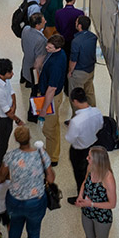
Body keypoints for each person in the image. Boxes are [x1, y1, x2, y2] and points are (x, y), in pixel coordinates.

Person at [0, 126, 53, 238]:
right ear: (30, 138)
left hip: (15, 200)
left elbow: (1, 176)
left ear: (16, 139)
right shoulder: (41, 154)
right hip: (36, 201)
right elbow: (51, 179)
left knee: (15, 227)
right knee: (34, 230)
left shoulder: (10, 156)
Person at [75, 146, 116, 238]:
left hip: (101, 216)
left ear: (97, 160)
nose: (87, 159)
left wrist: (91, 204)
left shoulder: (107, 177)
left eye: (89, 157)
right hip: (87, 212)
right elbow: (84, 183)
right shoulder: (90, 168)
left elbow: (112, 204)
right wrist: (80, 196)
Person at [64, 88, 103, 203]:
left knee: (80, 174)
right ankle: (92, 189)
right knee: (91, 170)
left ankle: (81, 196)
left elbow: (69, 138)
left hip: (79, 151)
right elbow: (100, 126)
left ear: (75, 101)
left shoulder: (76, 121)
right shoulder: (97, 111)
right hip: (93, 146)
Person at [36, 34, 67, 165]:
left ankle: (52, 157)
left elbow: (51, 89)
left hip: (52, 98)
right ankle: (52, 151)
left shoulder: (56, 65)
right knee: (54, 125)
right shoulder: (58, 54)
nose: (46, 48)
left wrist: (43, 109)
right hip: (51, 95)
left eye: (49, 47)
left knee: (49, 129)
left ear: (57, 48)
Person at [0, 58, 24, 171]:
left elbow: (12, 93)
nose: (12, 73)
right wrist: (18, 120)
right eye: (10, 72)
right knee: (2, 145)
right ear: (1, 74)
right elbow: (8, 113)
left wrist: (13, 106)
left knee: (5, 142)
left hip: (8, 116)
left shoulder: (5, 80)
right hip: (2, 121)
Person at [67, 16, 97, 107]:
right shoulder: (93, 37)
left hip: (79, 73)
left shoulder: (76, 41)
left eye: (76, 22)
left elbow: (73, 60)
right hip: (90, 70)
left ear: (79, 26)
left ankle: (77, 116)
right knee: (89, 92)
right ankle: (92, 112)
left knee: (75, 96)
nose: (75, 23)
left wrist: (70, 72)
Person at [20, 11, 48, 89]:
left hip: (26, 65)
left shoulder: (25, 29)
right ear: (37, 25)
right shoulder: (41, 40)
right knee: (35, 90)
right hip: (34, 71)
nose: (45, 22)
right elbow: (38, 62)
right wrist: (37, 79)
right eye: (43, 21)